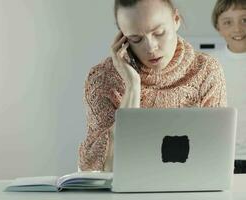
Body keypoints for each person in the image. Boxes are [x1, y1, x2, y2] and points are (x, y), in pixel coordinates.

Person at [78, 0, 227, 172]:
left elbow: (214, 157)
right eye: (136, 39)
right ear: (123, 38)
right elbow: (101, 169)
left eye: (159, 33)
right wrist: (132, 86)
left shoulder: (206, 70)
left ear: (176, 19)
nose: (150, 47)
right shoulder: (103, 78)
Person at [211, 0, 246, 174]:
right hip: (222, 158)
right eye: (228, 22)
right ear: (218, 27)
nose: (238, 29)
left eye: (244, 20)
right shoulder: (210, 64)